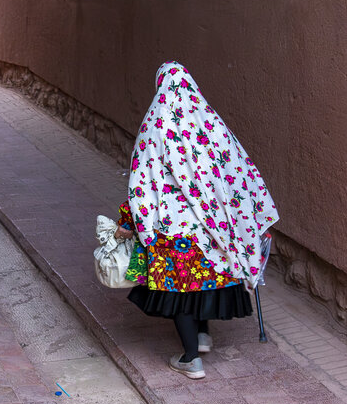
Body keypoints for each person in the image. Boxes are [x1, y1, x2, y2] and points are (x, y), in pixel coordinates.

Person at [116, 61, 278, 380]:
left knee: (178, 288)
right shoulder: (210, 123)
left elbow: (144, 182)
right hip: (210, 226)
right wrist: (249, 216)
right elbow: (236, 170)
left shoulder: (156, 124)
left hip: (172, 227)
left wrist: (132, 220)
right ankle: (203, 336)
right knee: (203, 280)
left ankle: (191, 358)